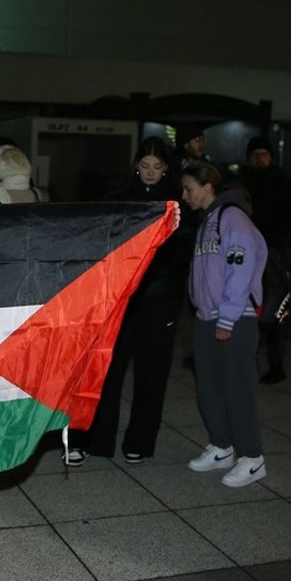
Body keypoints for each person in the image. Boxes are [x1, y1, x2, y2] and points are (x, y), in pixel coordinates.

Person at [66, 137, 187, 466]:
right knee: (105, 371)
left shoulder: (177, 202)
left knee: (152, 374)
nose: (150, 173)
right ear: (136, 164)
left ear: (166, 168)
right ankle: (93, 439)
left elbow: (182, 252)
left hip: (160, 300)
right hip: (121, 299)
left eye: (157, 167)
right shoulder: (118, 197)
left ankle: (140, 441)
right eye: (145, 166)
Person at [182, 163, 269, 488]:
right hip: (207, 316)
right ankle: (222, 446)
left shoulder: (233, 219)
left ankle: (252, 457)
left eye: (189, 188)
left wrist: (228, 316)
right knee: (209, 386)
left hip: (235, 318)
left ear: (207, 187)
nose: (185, 195)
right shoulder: (207, 221)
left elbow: (240, 270)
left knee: (237, 389)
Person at [238, 136, 291, 384]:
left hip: (273, 251)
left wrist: (270, 236)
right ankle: (247, 358)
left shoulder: (283, 183)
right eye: (255, 155)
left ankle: (276, 363)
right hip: (247, 250)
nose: (259, 159)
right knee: (247, 305)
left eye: (264, 154)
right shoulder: (242, 183)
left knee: (277, 306)